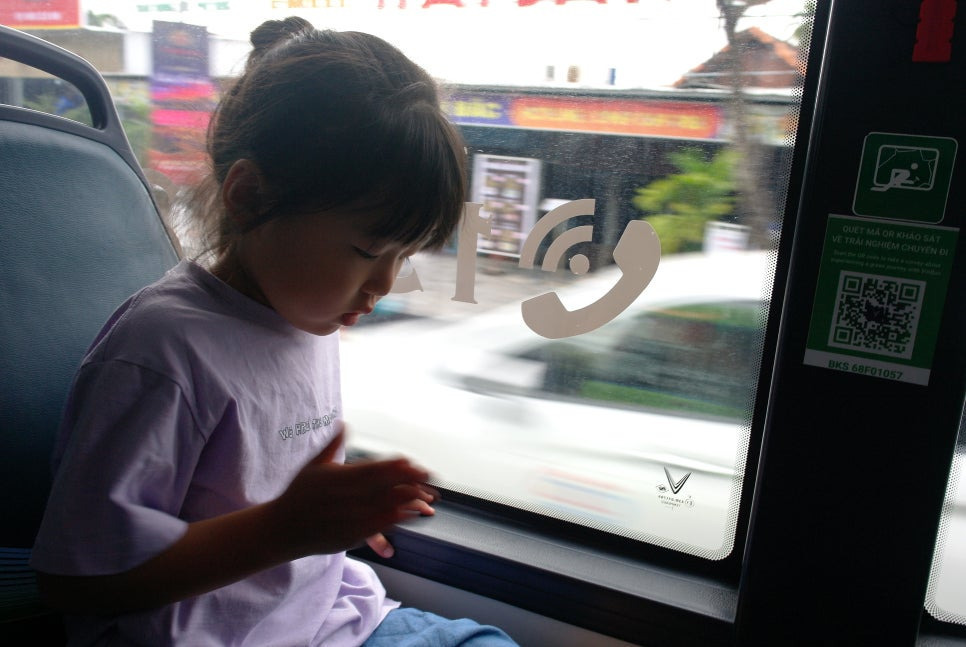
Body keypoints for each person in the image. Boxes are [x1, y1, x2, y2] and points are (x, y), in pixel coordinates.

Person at [30, 17, 518, 647]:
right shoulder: (163, 354)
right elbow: (76, 583)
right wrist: (286, 530)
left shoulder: (307, 315)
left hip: (331, 617)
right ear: (251, 197)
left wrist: (343, 508)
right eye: (368, 251)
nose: (386, 284)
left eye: (404, 255)